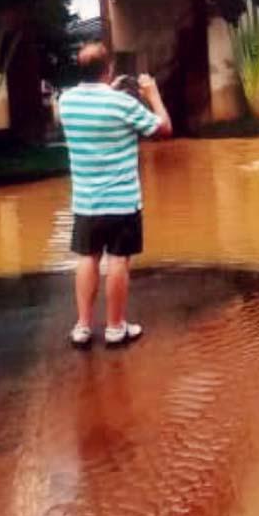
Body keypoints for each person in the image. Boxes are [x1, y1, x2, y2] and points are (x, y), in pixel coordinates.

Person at [57, 42, 172, 348]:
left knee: (88, 258)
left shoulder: (66, 102)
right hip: (121, 202)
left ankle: (82, 327)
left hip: (86, 203)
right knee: (118, 262)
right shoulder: (123, 104)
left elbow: (96, 104)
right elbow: (164, 129)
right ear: (108, 69)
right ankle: (115, 327)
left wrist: (112, 89)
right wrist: (152, 95)